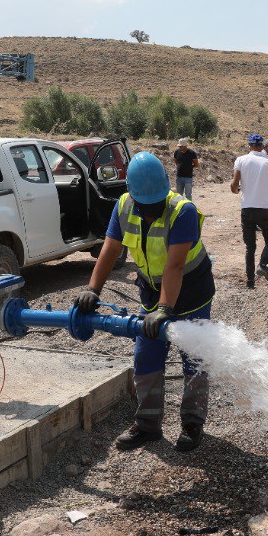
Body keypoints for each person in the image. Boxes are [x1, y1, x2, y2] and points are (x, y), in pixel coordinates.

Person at [73, 151, 215, 452]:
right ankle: (148, 425)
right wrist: (93, 290)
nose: (150, 211)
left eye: (155, 205)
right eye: (144, 206)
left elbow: (175, 266)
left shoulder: (183, 211)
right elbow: (110, 250)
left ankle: (192, 423)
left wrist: (165, 310)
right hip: (153, 292)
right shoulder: (124, 206)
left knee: (195, 358)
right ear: (133, 196)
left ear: (166, 192)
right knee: (146, 356)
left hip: (191, 292)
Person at [231, 133, 268, 288]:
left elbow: (234, 186)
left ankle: (250, 282)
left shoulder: (240, 160)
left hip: (247, 209)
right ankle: (263, 265)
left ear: (249, 145)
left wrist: (239, 188)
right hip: (264, 209)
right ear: (262, 146)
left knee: (250, 247)